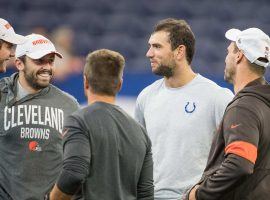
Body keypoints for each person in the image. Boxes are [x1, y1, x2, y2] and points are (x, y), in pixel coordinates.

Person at [134, 18, 234, 199]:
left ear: (180, 51)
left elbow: (234, 158)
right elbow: (136, 155)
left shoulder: (218, 97)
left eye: (157, 47)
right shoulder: (146, 97)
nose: (149, 53)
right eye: (150, 46)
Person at [48, 49, 154, 200]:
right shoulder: (141, 132)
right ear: (119, 85)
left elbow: (73, 174)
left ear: (85, 82)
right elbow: (146, 194)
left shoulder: (79, 121)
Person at [187, 28, 270, 200]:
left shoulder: (243, 107)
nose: (226, 58)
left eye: (229, 52)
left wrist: (199, 194)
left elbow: (240, 164)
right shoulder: (262, 103)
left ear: (239, 56)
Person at [0, 33, 80, 199]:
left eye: (50, 61)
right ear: (19, 63)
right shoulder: (2, 95)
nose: (47, 67)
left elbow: (77, 163)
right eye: (39, 61)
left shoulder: (69, 105)